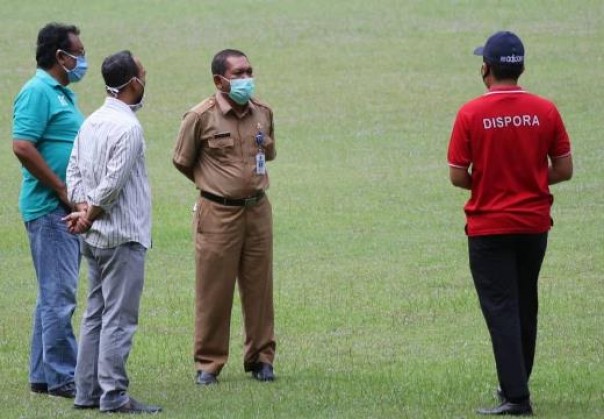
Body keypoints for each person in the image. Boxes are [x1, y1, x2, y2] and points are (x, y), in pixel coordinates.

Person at [447, 31, 573, 416]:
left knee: (500, 307)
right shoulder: (545, 110)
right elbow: (564, 169)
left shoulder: (470, 113)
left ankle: (517, 397)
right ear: (521, 68)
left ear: (486, 69)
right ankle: (515, 382)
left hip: (489, 227)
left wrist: (491, 182)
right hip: (534, 225)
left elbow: (456, 175)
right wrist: (529, 180)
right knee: (524, 303)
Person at [63, 50, 161, 414]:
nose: (145, 78)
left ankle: (86, 392)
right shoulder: (129, 128)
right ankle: (114, 395)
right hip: (122, 236)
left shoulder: (91, 122)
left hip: (94, 239)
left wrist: (81, 211)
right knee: (119, 319)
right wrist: (90, 215)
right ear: (133, 83)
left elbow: (73, 173)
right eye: (143, 73)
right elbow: (113, 185)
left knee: (94, 314)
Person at [172, 49, 277, 385]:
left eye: (249, 71)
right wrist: (213, 186)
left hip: (258, 210)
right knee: (214, 290)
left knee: (259, 287)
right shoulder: (200, 116)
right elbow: (182, 160)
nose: (247, 79)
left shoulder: (263, 113)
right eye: (238, 74)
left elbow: (269, 152)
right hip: (217, 213)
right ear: (219, 81)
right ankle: (209, 363)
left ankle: (261, 359)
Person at [12, 22, 88, 398]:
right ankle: (63, 377)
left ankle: (42, 374)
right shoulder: (38, 91)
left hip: (61, 206)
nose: (82, 60)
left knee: (50, 295)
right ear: (61, 56)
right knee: (60, 298)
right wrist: (62, 190)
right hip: (50, 208)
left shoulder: (62, 93)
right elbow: (22, 145)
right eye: (79, 53)